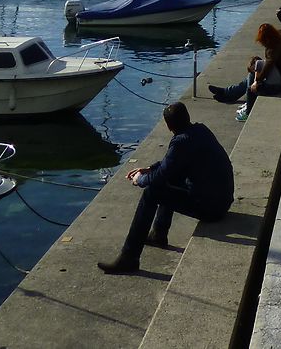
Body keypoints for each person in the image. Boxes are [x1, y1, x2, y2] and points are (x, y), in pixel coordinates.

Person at [97, 101, 234, 274]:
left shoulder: (181, 142)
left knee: (151, 192)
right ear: (188, 117)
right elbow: (171, 165)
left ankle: (129, 257)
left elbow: (160, 176)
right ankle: (159, 234)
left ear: (169, 126)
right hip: (222, 201)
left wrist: (140, 179)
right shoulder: (200, 130)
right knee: (172, 178)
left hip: (211, 208)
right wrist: (151, 168)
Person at [208, 22, 281, 121]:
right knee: (252, 74)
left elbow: (268, 67)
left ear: (265, 39)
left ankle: (243, 106)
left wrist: (257, 81)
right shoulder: (279, 42)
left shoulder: (273, 49)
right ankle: (227, 93)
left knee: (251, 84)